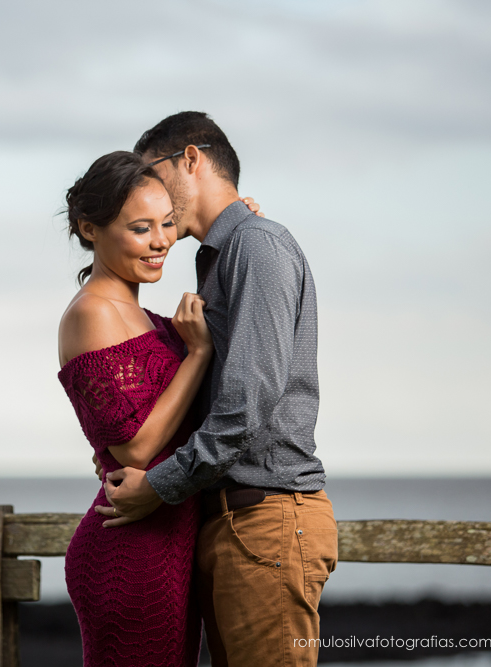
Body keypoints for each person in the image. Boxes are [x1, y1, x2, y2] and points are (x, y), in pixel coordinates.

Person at [99, 111, 338, 667]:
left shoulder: (256, 246)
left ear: (190, 159)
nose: (146, 193)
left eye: (150, 174)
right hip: (236, 521)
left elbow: (246, 405)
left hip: (267, 520)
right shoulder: (226, 254)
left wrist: (158, 484)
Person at [57, 151, 261, 666]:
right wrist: (195, 353)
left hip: (169, 540)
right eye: (141, 228)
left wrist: (241, 234)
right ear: (90, 228)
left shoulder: (144, 315)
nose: (161, 241)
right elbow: (135, 446)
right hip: (131, 551)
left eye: (168, 224)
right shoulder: (92, 314)